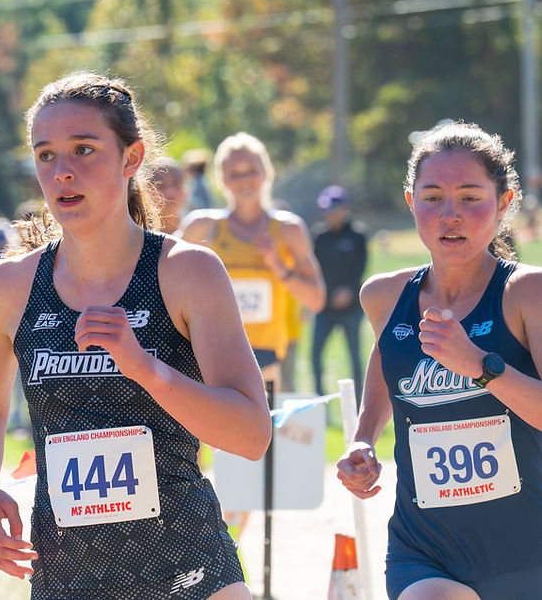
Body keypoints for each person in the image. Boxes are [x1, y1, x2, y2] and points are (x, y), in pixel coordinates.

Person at [0, 72, 271, 599]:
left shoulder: (186, 271)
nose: (63, 172)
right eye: (46, 155)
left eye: (84, 150)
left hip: (187, 567)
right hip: (67, 575)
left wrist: (148, 369)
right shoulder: (7, 287)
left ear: (131, 159)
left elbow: (251, 435)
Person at [337, 121, 542, 600]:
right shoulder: (384, 295)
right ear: (411, 203)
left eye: (471, 197)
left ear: (504, 204)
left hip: (527, 547)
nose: (450, 215)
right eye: (432, 198)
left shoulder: (526, 293)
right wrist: (362, 440)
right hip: (425, 547)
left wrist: (479, 365)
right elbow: (387, 371)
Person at [178, 132, 325, 389]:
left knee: (268, 430)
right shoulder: (202, 228)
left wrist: (279, 268)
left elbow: (316, 299)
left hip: (269, 358)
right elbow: (165, 283)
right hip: (214, 355)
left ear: (266, 173)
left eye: (251, 171)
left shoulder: (288, 230)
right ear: (221, 180)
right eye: (235, 173)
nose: (244, 180)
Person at [311, 185, 368, 402]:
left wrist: (348, 291)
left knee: (355, 357)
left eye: (334, 209)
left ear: (344, 209)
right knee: (315, 355)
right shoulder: (319, 236)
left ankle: (360, 402)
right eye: (326, 210)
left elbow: (361, 269)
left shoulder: (357, 236)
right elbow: (313, 269)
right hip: (324, 308)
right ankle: (319, 401)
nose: (330, 214)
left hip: (351, 309)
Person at [151, 156, 188, 234]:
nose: (170, 192)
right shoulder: (139, 236)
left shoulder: (197, 231)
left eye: (177, 184)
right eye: (161, 185)